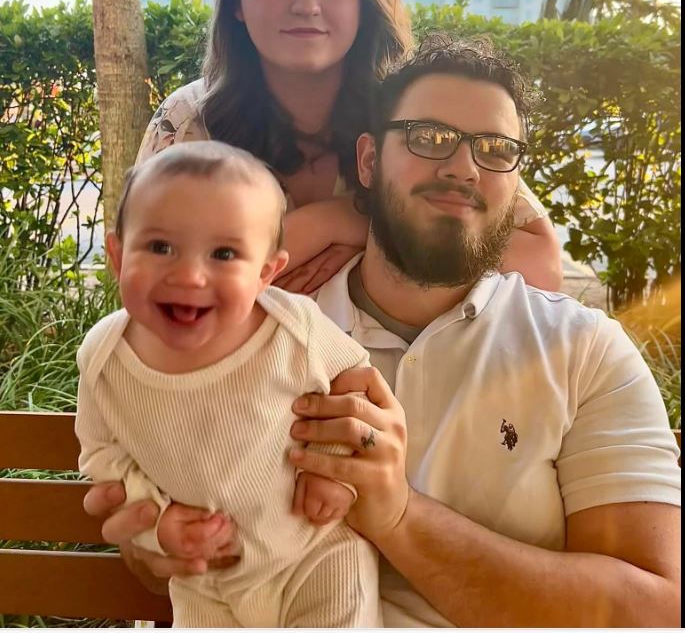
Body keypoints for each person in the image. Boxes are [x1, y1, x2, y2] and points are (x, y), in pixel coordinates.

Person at [86, 35, 681, 627]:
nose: (462, 166)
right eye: (429, 137)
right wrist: (159, 543)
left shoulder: (585, 351)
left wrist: (399, 518)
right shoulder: (254, 334)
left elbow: (652, 609)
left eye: (496, 149)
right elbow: (165, 536)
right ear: (368, 161)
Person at [137, 0, 562, 292]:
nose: (306, 4)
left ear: (366, 0)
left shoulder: (411, 116)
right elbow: (147, 280)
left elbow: (540, 263)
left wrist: (355, 227)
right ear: (236, 1)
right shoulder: (189, 123)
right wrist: (349, 224)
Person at [75, 141, 381, 628]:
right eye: (160, 247)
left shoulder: (292, 327)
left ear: (265, 274)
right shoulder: (104, 359)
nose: (190, 275)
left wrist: (335, 473)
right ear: (116, 254)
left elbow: (356, 383)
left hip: (315, 554)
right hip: (206, 580)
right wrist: (158, 521)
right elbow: (104, 458)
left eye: (223, 253)